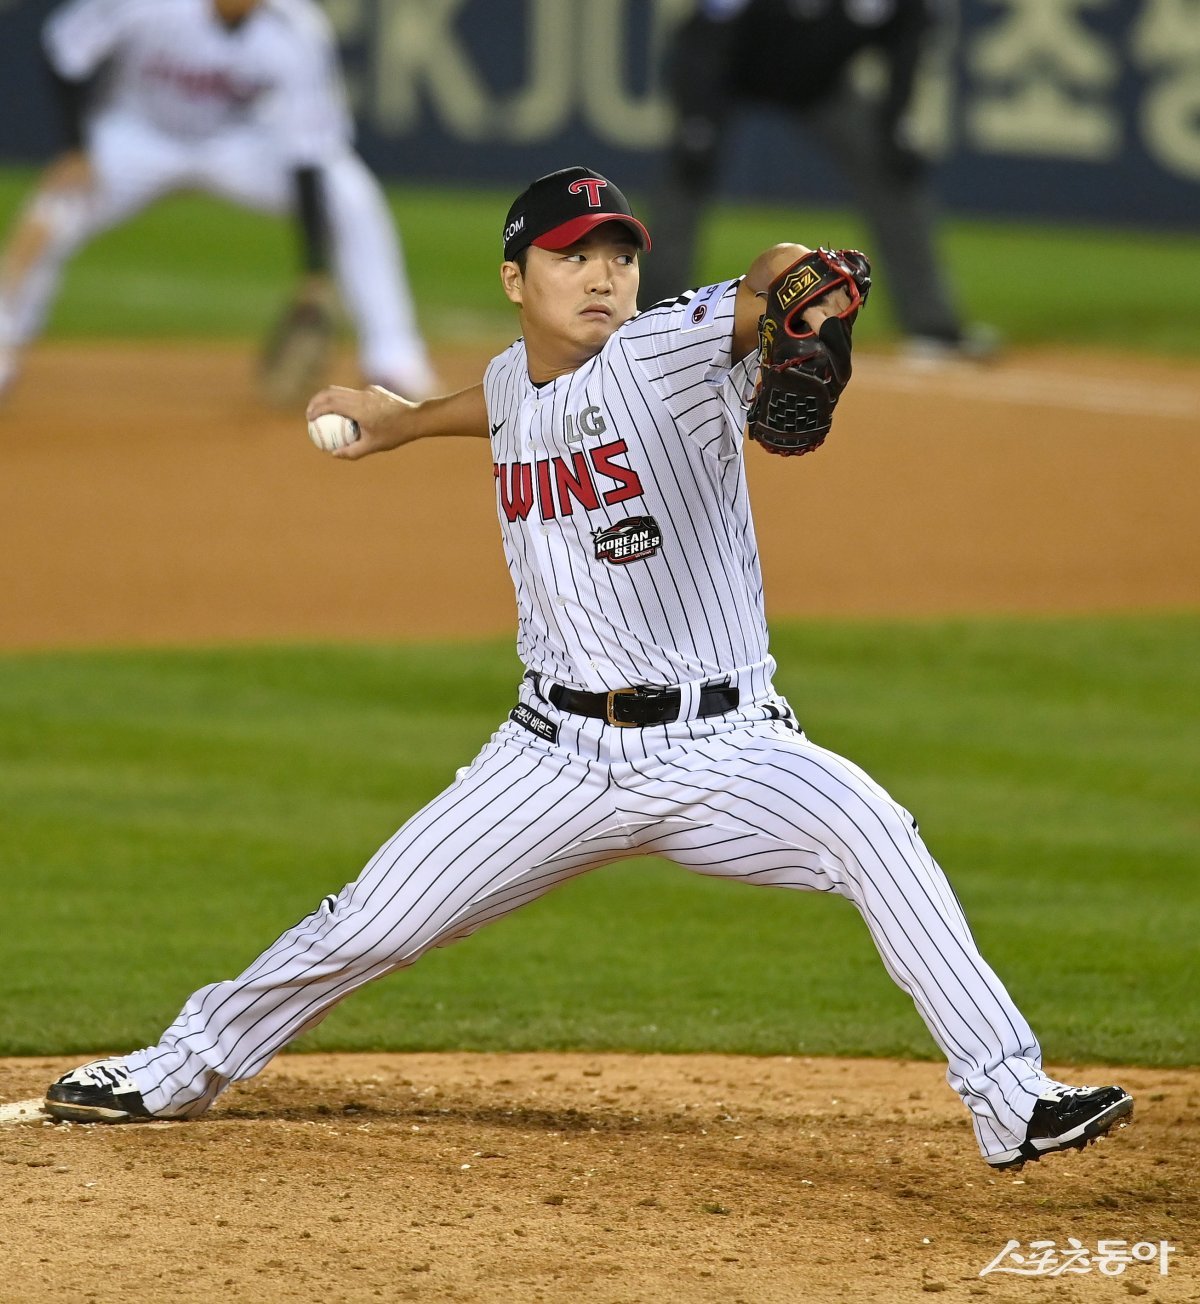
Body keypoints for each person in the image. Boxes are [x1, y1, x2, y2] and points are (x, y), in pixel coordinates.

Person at [43, 165, 1131, 1173]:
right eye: (574, 257)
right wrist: (406, 423)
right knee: (371, 923)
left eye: (620, 254)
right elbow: (507, 406)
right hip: (549, 760)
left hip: (724, 751)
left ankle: (1011, 1097)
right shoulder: (513, 376)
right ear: (515, 280)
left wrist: (812, 294)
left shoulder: (664, 352)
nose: (604, 274)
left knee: (874, 832)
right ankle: (178, 1068)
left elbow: (773, 274)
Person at [0, 0, 436, 403]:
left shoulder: (295, 28)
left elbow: (309, 154)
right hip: (137, 135)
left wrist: (313, 273)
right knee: (52, 212)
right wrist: (76, 148)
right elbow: (65, 47)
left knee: (350, 194)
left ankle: (394, 359)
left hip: (235, 144)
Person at [639, 0, 996, 362]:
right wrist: (697, 119)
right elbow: (703, 40)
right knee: (686, 174)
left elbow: (906, 38)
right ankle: (653, 320)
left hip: (820, 84)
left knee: (890, 172)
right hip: (727, 77)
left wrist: (897, 119)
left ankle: (931, 324)